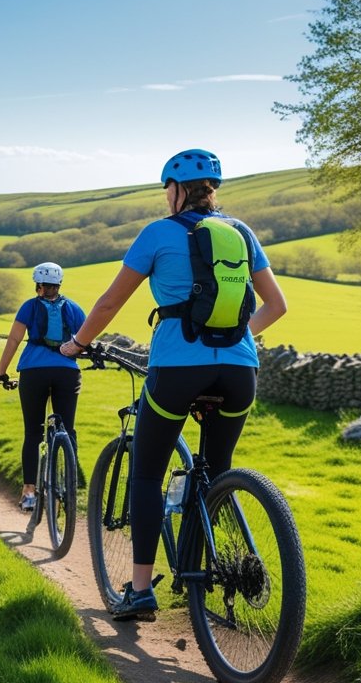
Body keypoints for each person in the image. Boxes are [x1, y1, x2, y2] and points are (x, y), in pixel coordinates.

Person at [59, 148, 287, 620]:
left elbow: (107, 305)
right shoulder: (241, 233)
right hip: (240, 371)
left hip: (178, 369)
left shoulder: (158, 233)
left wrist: (76, 345)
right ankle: (208, 571)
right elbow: (276, 306)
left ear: (176, 190)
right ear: (213, 191)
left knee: (146, 472)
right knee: (217, 472)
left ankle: (141, 590)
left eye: (167, 188)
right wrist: (234, 338)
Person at [0, 263, 87, 511]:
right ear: (59, 285)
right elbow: (87, 339)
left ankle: (29, 492)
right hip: (67, 373)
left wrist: (1, 371)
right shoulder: (73, 308)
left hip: (33, 372)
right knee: (67, 428)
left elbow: (14, 339)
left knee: (33, 433)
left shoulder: (29, 306)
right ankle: (68, 486)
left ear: (38, 285)